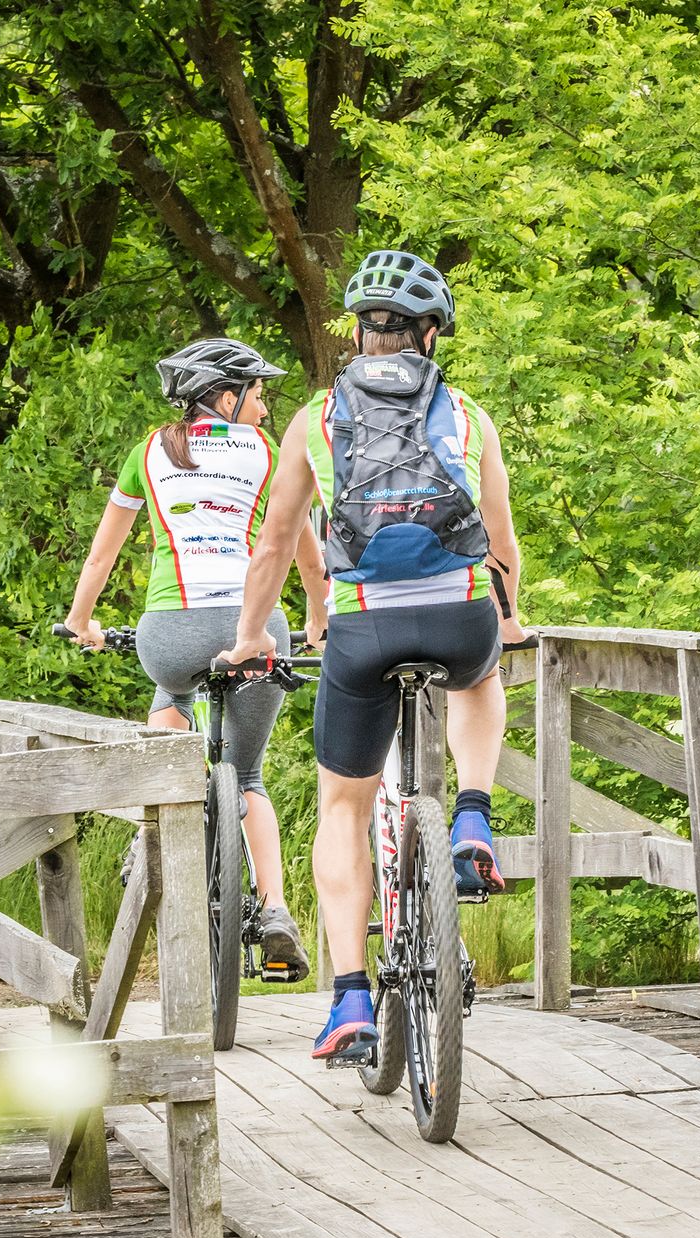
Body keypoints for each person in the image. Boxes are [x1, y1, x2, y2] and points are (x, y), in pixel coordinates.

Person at [217, 250, 529, 1061]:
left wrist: (254, 637)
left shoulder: (315, 419)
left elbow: (275, 544)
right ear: (430, 334)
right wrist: (514, 618)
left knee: (342, 810)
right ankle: (472, 818)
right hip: (459, 617)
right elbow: (498, 542)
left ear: (359, 332)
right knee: (481, 674)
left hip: (360, 633)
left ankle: (351, 998)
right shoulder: (467, 413)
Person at [63, 336, 327, 980]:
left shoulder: (148, 451)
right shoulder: (268, 453)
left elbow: (101, 557)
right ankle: (274, 910)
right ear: (227, 397)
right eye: (259, 395)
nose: (265, 409)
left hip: (169, 633)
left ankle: (149, 831)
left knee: (171, 694)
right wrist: (319, 619)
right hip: (255, 628)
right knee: (249, 774)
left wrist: (81, 625)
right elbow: (304, 553)